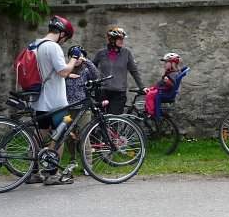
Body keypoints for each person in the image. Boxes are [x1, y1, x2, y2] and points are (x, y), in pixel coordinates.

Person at [28, 16, 84, 185]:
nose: (64, 41)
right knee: (59, 136)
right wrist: (74, 58)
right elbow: (63, 72)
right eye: (65, 37)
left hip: (39, 100)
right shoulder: (53, 47)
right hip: (56, 101)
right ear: (61, 33)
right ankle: (52, 174)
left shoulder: (35, 45)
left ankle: (33, 173)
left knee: (39, 137)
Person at [93, 26, 146, 114]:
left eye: (122, 39)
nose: (122, 41)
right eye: (119, 39)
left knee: (113, 121)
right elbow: (91, 68)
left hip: (118, 93)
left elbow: (134, 71)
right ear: (112, 39)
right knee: (100, 121)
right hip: (102, 92)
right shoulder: (101, 53)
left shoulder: (126, 52)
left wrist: (142, 87)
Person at [63, 44, 99, 174]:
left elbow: (95, 75)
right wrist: (67, 76)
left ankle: (88, 165)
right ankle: (72, 161)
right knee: (69, 136)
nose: (78, 58)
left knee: (84, 136)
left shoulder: (85, 71)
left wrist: (86, 61)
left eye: (80, 56)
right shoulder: (65, 70)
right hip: (68, 108)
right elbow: (56, 78)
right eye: (75, 56)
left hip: (83, 109)